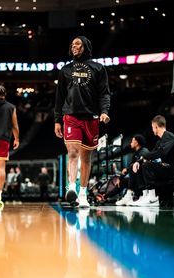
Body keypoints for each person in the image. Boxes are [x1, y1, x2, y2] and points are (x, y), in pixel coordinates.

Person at [54, 36, 111, 207]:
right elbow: (60, 97)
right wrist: (57, 120)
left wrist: (104, 111)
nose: (74, 46)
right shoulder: (65, 70)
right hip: (71, 117)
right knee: (72, 152)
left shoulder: (98, 68)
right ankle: (71, 188)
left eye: (77, 43)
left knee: (86, 158)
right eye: (72, 44)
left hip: (92, 118)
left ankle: (83, 194)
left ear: (85, 46)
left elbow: (104, 93)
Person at [132, 115, 174, 206]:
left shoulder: (169, 136)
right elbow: (152, 153)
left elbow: (161, 153)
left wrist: (145, 157)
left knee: (147, 166)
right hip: (165, 168)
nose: (152, 130)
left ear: (156, 127)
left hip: (173, 169)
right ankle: (145, 195)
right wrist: (138, 162)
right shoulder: (159, 142)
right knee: (139, 166)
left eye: (152, 127)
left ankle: (153, 197)